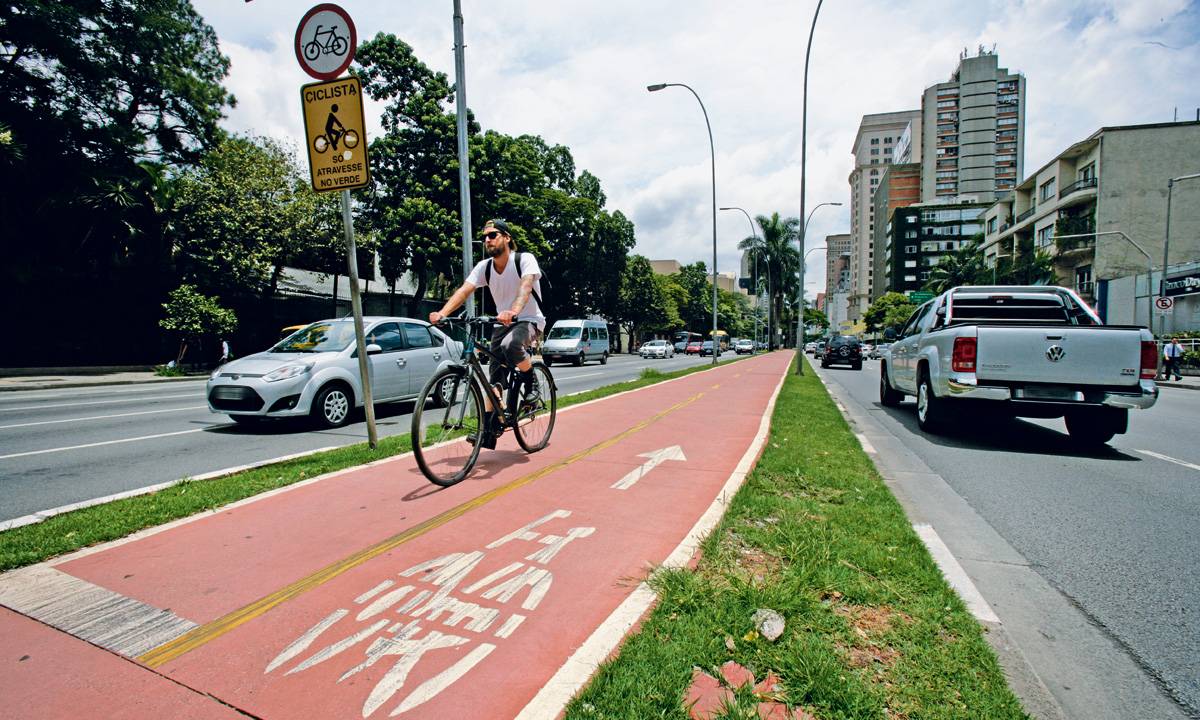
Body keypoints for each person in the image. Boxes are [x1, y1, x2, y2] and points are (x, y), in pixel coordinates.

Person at [430, 219, 546, 448]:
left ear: (507, 237)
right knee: (493, 379)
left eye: (492, 235)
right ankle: (490, 429)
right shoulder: (485, 267)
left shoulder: (524, 259)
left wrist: (513, 311)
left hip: (529, 320)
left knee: (511, 346)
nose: (487, 240)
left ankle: (532, 383)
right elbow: (465, 289)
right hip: (500, 323)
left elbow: (526, 286)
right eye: (485, 237)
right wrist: (442, 313)